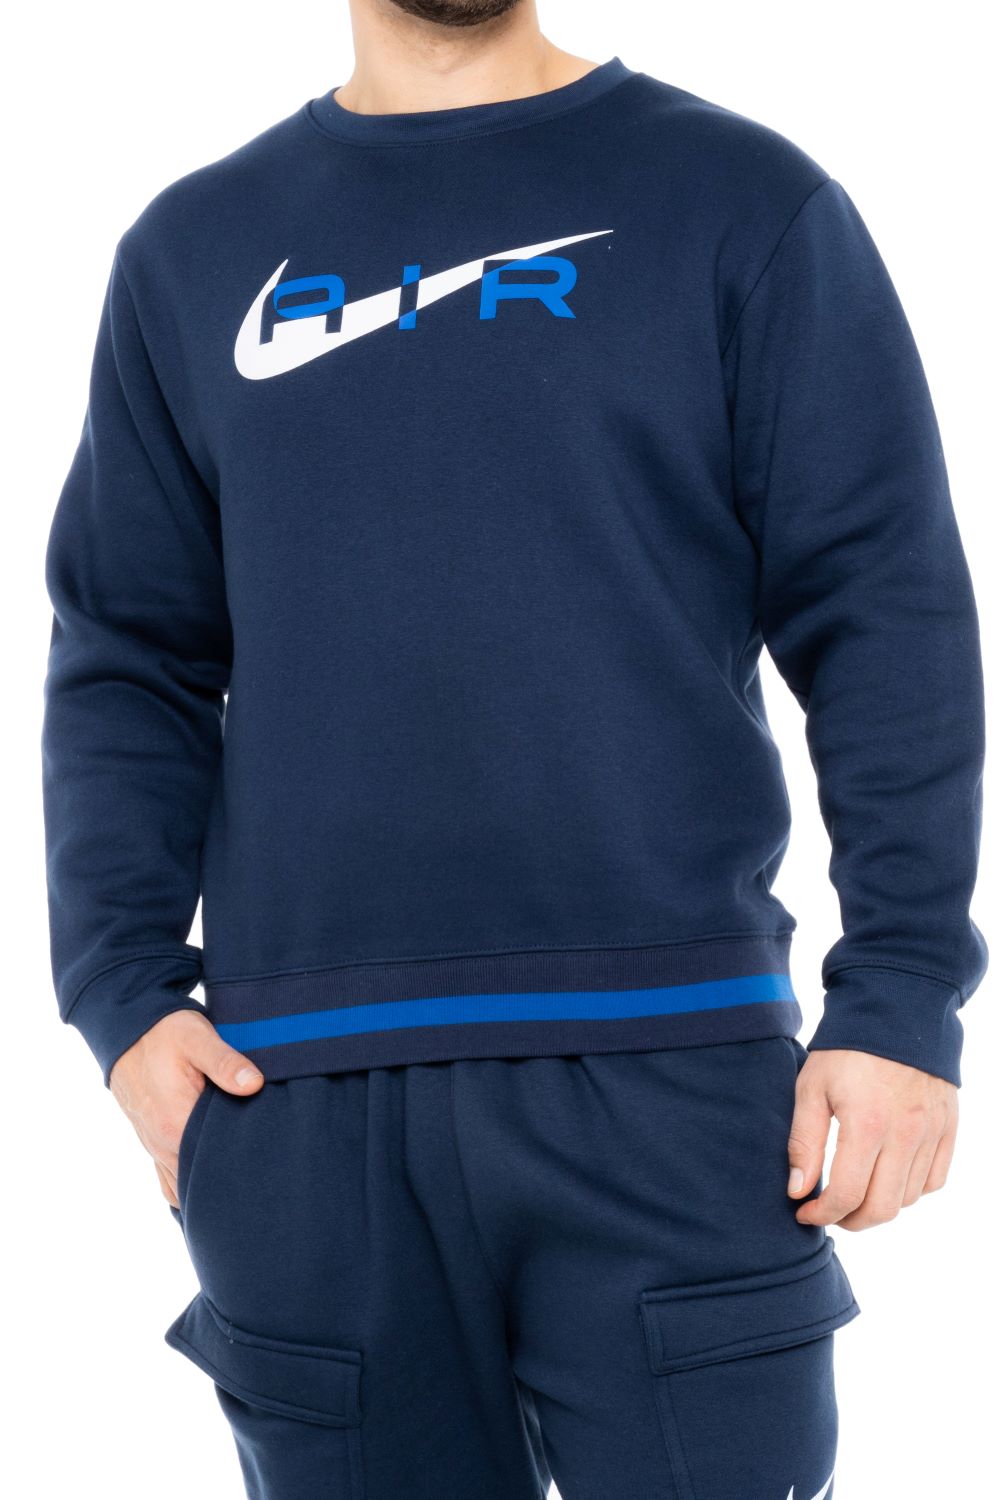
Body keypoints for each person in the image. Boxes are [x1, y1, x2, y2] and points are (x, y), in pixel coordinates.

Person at [41, 0, 986, 1495]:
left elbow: (885, 611)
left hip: (676, 1080)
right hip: (305, 1106)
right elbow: (129, 653)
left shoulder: (744, 203)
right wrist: (122, 996)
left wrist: (903, 998)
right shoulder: (195, 250)